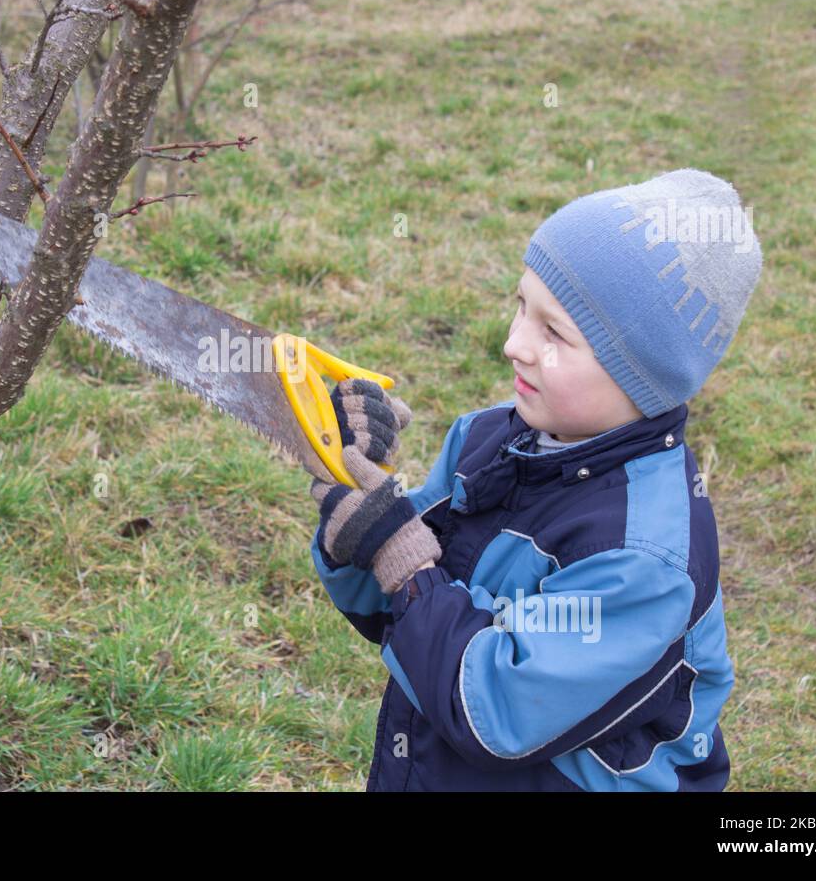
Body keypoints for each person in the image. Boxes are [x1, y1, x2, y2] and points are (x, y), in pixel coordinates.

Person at [310, 169, 762, 790]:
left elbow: (496, 713)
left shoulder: (644, 559)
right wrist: (357, 491)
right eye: (523, 305)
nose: (514, 344)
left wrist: (400, 556)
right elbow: (397, 606)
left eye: (555, 332)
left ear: (640, 375)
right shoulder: (484, 440)